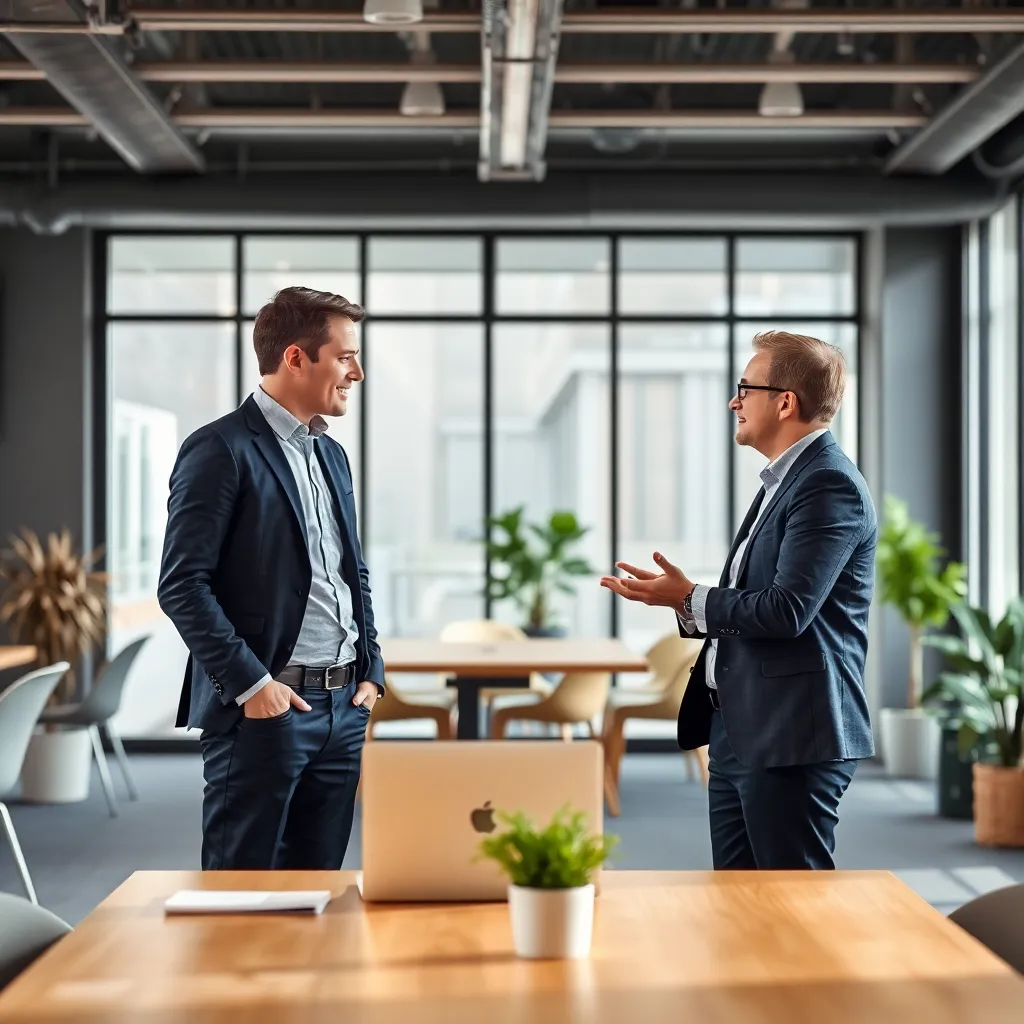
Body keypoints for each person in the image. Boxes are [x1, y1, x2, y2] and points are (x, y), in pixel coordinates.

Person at [601, 330, 876, 870]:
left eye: (745, 388)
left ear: (785, 401)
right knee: (739, 904)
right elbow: (762, 598)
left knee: (790, 907)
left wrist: (690, 596)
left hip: (791, 737)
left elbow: (786, 610)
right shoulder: (785, 480)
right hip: (741, 728)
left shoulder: (827, 484)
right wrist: (683, 601)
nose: (734, 401)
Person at [158, 286, 384, 871]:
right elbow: (182, 585)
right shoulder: (220, 449)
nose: (356, 372)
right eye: (345, 356)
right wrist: (255, 687)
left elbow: (349, 569)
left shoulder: (330, 455)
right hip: (267, 709)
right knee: (240, 892)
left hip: (342, 707)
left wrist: (371, 671)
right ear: (295, 358)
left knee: (319, 887)